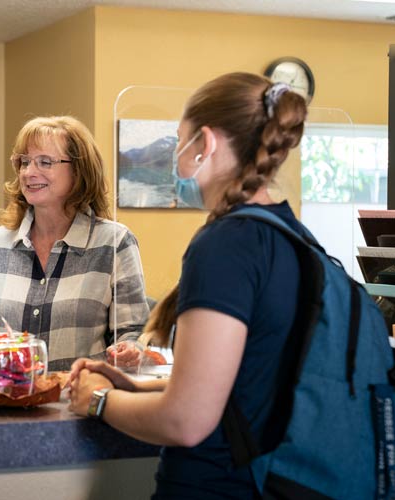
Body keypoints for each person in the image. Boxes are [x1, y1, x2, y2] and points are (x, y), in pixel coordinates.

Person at [68, 72, 309, 498]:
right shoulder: (295, 238)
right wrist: (133, 385)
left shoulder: (224, 245)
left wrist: (99, 401)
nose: (175, 157)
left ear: (206, 144)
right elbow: (247, 381)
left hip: (217, 485)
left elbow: (186, 420)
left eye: (179, 141)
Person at [0, 115, 149, 371]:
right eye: (24, 162)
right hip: (3, 402)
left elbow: (132, 333)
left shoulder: (115, 243)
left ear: (79, 170)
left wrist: (131, 349)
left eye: (45, 162)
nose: (29, 172)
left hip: (78, 404)